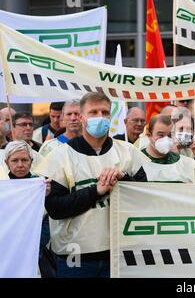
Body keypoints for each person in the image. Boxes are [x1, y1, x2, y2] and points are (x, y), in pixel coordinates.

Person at [35, 92, 148, 278]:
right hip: (75, 255)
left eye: (104, 112)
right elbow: (55, 208)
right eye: (93, 112)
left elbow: (145, 198)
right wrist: (96, 190)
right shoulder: (60, 156)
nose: (100, 118)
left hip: (120, 252)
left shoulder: (128, 152)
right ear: (81, 117)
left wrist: (124, 180)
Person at [3, 140, 53, 277]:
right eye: (15, 160)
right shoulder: (3, 187)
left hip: (35, 252)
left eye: (24, 160)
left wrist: (47, 197)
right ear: (7, 162)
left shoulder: (42, 184)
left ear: (31, 161)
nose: (20, 165)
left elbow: (48, 221)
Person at [141, 115, 195, 183]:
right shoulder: (136, 162)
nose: (166, 139)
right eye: (161, 135)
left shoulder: (189, 164)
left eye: (169, 135)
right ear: (149, 136)